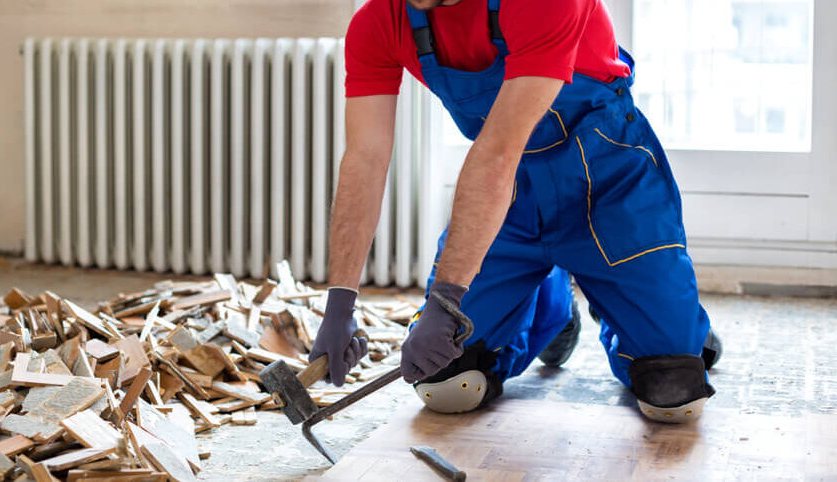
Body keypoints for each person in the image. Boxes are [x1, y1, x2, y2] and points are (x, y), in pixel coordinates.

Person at [309, 0, 721, 423]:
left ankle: (656, 313)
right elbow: (364, 160)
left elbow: (496, 153)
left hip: (610, 186)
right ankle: (551, 308)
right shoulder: (380, 21)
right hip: (510, 198)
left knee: (674, 392)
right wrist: (340, 302)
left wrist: (446, 300)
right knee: (447, 383)